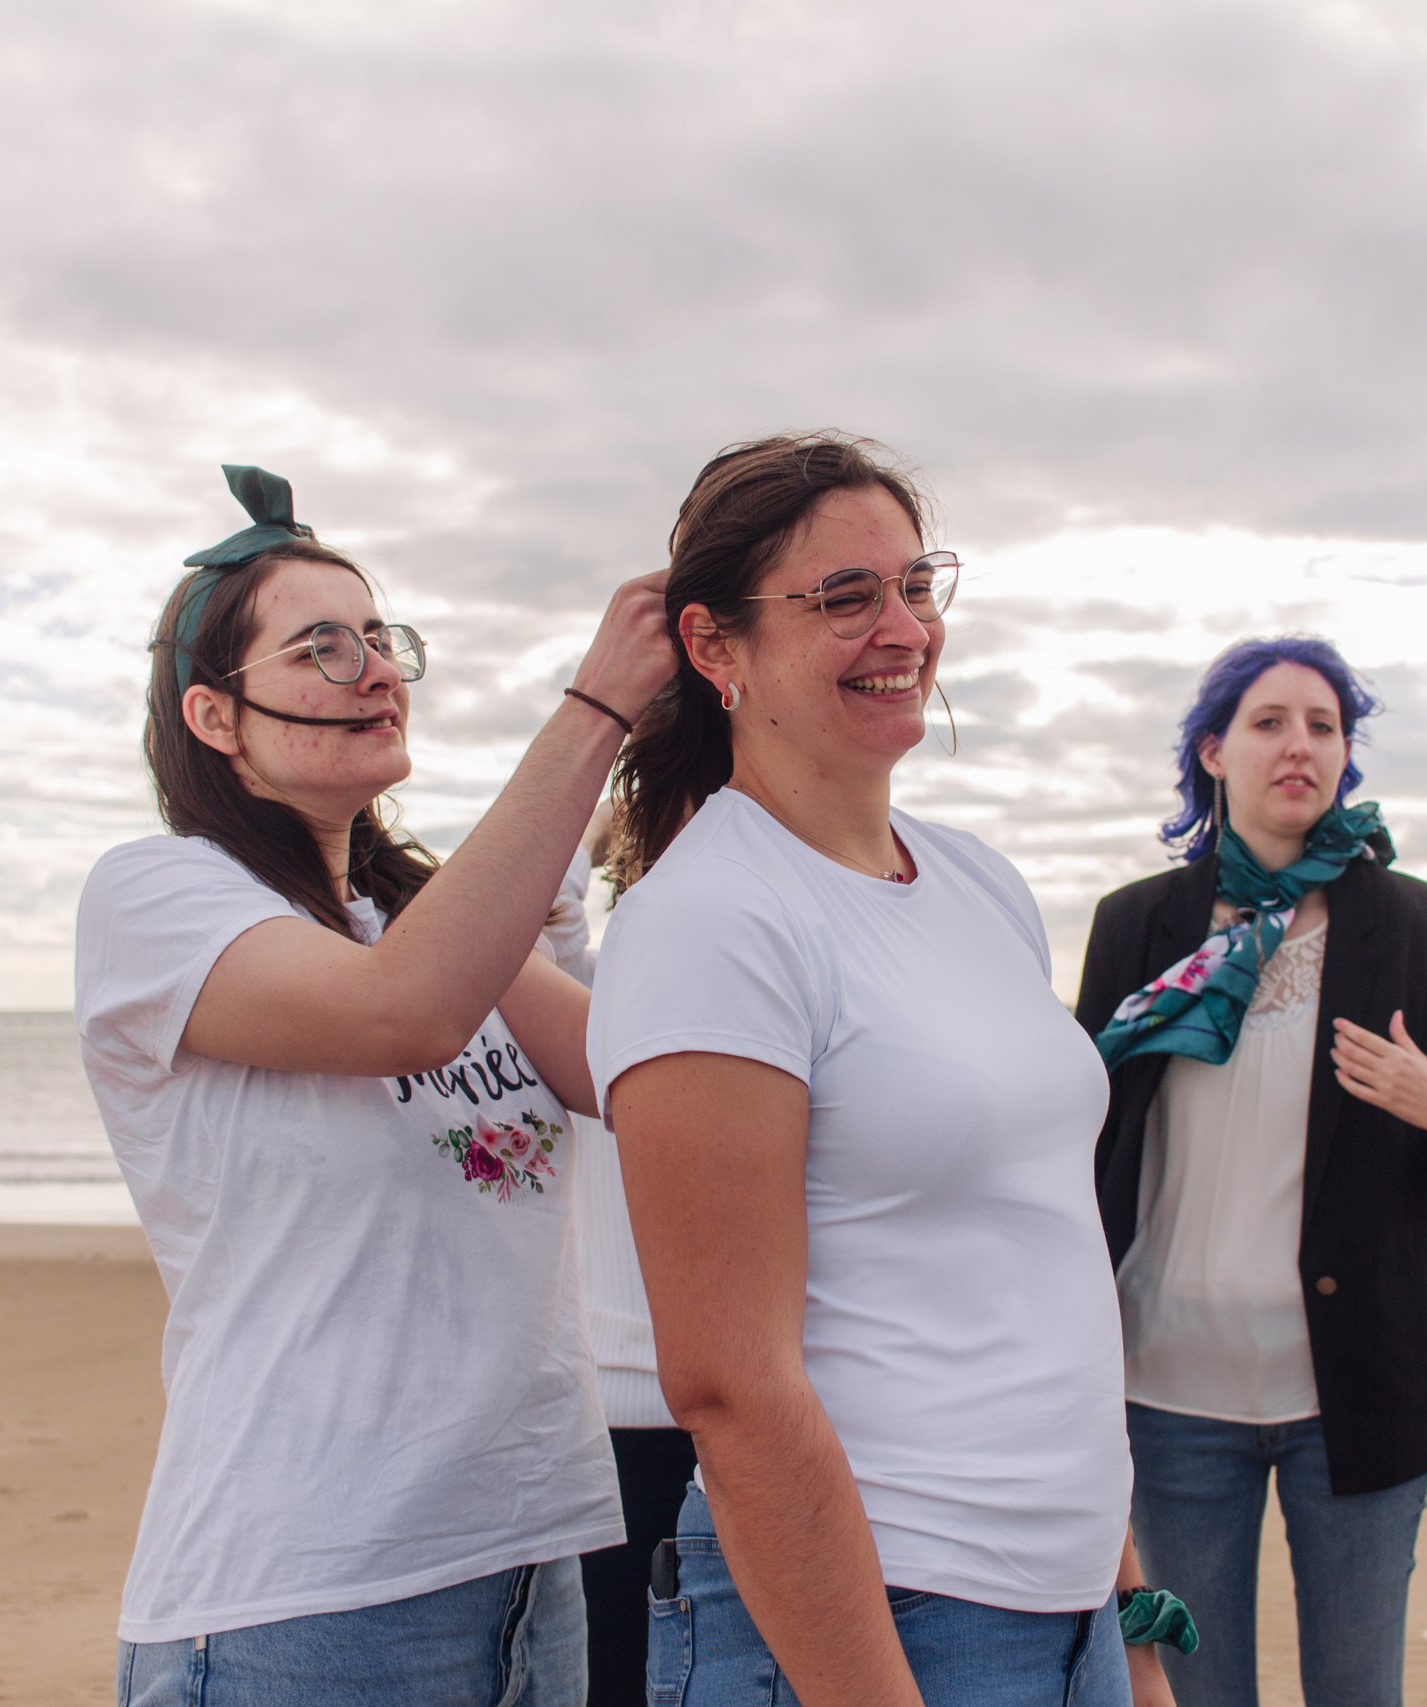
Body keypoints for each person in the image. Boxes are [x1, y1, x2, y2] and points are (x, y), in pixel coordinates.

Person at [74, 465, 672, 1706]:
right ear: (214, 717)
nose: (376, 670)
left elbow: (635, 1078)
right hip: (304, 1595)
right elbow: (401, 1014)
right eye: (321, 650)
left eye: (382, 639)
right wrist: (596, 707)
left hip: (528, 1566)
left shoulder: (422, 912)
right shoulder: (157, 896)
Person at [586, 433, 1169, 1707]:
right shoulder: (710, 922)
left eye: (916, 585)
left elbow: (1039, 1269)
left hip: (1067, 1608)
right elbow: (727, 1387)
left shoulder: (978, 882)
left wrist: (1131, 1624)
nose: (901, 626)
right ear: (714, 647)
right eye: (845, 598)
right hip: (880, 1617)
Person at [1073, 636, 1427, 1707]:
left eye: (1323, 726)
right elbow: (1072, 1147)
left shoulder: (1410, 922)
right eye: (1269, 722)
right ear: (1214, 752)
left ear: (1344, 757)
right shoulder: (1138, 926)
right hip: (1164, 1390)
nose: (1298, 745)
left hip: (1356, 1390)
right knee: (1191, 1692)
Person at [535, 810, 701, 1707]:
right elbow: (522, 902)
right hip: (612, 1438)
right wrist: (611, 816)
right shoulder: (584, 993)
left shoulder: (788, 993)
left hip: (762, 1420)